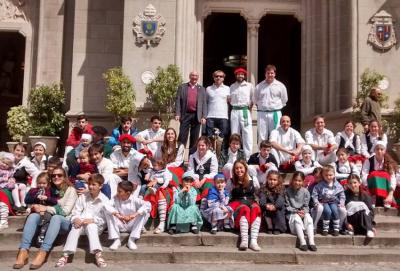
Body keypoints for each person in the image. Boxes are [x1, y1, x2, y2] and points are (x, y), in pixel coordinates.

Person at [14, 167, 78, 270]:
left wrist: (45, 208)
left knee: (57, 218)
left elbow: (65, 212)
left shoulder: (71, 190)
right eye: (53, 175)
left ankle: (43, 252)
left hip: (65, 222)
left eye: (59, 175)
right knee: (33, 215)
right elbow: (33, 198)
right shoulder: (50, 189)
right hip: (48, 221)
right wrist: (35, 206)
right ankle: (23, 250)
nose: (56, 177)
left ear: (65, 177)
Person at [55, 174, 110, 268]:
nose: (91, 187)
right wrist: (76, 219)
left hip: (95, 226)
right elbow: (76, 211)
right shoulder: (83, 197)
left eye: (94, 184)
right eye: (89, 184)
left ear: (100, 186)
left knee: (91, 226)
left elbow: (104, 219)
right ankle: (65, 255)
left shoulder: (105, 200)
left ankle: (98, 254)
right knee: (76, 226)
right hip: (81, 223)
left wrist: (92, 220)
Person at [107, 180, 151, 250]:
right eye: (117, 191)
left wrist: (134, 215)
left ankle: (132, 239)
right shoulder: (115, 198)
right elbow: (106, 206)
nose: (117, 193)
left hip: (132, 225)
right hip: (120, 225)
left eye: (120, 191)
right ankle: (116, 240)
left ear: (128, 193)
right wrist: (119, 216)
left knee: (143, 212)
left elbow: (148, 204)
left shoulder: (135, 199)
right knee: (109, 212)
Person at [228, 160, 261, 251]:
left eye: (241, 168)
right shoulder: (231, 181)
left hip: (251, 202)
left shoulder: (253, 179)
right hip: (238, 204)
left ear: (245, 168)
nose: (239, 170)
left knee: (256, 208)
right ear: (234, 170)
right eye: (236, 168)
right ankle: (244, 240)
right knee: (245, 209)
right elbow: (228, 195)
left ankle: (253, 241)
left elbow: (257, 191)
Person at [175, 71, 207, 153]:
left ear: (198, 77)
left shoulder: (202, 89)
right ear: (190, 76)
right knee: (182, 137)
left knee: (194, 138)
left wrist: (204, 116)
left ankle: (191, 160)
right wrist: (177, 113)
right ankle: (180, 160)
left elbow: (204, 104)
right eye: (192, 75)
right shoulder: (182, 87)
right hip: (185, 114)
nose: (194, 77)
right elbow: (178, 101)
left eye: (196, 75)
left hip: (197, 116)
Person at [254, 64, 288, 141]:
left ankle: (275, 153)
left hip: (275, 113)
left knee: (275, 135)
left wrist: (275, 107)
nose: (270, 75)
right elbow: (255, 100)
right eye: (268, 73)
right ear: (265, 74)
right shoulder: (259, 86)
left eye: (272, 73)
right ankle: (262, 152)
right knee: (262, 136)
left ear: (275, 74)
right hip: (262, 113)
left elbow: (284, 100)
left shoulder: (280, 86)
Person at [285, 171, 317, 251]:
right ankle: (302, 242)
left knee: (308, 217)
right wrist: (296, 211)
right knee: (296, 218)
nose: (297, 182)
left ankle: (311, 242)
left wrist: (303, 212)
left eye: (299, 181)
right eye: (295, 180)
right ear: (292, 180)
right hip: (292, 215)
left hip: (302, 214)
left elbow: (306, 206)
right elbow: (287, 206)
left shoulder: (305, 192)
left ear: (303, 181)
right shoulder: (287, 191)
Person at [24, 172, 58, 246]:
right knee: (31, 218)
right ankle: (34, 235)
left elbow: (55, 201)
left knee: (48, 218)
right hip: (35, 211)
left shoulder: (51, 190)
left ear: (48, 183)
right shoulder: (33, 190)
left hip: (46, 210)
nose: (41, 185)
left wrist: (47, 198)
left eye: (44, 183)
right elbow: (26, 200)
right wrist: (35, 197)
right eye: (39, 183)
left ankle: (42, 234)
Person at [361, 141, 397, 208]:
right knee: (374, 174)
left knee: (385, 175)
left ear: (384, 151)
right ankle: (373, 198)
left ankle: (385, 198)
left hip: (385, 188)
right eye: (377, 149)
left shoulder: (388, 161)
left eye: (381, 149)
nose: (379, 151)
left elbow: (392, 177)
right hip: (372, 187)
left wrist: (391, 194)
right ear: (374, 150)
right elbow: (364, 175)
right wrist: (367, 187)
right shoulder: (368, 161)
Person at [311, 165, 346, 236]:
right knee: (327, 211)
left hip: (334, 202)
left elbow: (342, 195)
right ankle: (325, 229)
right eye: (326, 175)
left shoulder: (337, 185)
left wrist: (342, 202)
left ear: (334, 174)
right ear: (323, 176)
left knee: (335, 210)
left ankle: (336, 228)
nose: (328, 177)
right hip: (324, 202)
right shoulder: (320, 185)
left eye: (330, 175)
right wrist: (316, 202)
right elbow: (314, 194)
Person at [229, 67, 255, 159]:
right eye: (238, 74)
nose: (240, 76)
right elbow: (229, 99)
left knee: (247, 133)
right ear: (236, 75)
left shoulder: (249, 86)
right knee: (234, 133)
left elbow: (253, 99)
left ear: (244, 76)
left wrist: (249, 107)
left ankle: (248, 157)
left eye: (242, 74)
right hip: (235, 110)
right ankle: (234, 156)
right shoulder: (232, 86)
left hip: (244, 111)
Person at [187, 136, 218, 201]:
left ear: (207, 146)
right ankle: (196, 200)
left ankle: (204, 201)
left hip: (207, 179)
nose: (200, 147)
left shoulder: (212, 156)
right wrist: (196, 179)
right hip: (196, 179)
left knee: (209, 185)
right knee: (190, 184)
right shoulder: (192, 156)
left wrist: (204, 178)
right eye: (199, 145)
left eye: (203, 145)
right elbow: (190, 171)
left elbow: (214, 172)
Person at [12, 143, 40, 213]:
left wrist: (33, 187)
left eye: (22, 151)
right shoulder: (10, 160)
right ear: (13, 150)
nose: (19, 153)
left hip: (20, 186)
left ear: (24, 153)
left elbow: (37, 173)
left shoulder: (26, 163)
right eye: (17, 150)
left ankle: (20, 206)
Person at [205, 70, 230, 149]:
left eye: (221, 76)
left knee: (223, 138)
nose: (218, 78)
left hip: (223, 116)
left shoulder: (228, 89)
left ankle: (221, 157)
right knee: (210, 138)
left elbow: (230, 101)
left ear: (223, 78)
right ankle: (211, 156)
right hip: (210, 116)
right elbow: (205, 102)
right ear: (213, 77)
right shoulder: (208, 89)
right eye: (216, 76)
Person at [259, 170, 286, 235]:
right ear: (267, 179)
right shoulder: (264, 188)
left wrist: (275, 206)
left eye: (274, 180)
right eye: (270, 179)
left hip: (276, 207)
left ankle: (278, 228)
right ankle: (269, 227)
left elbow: (281, 200)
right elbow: (262, 200)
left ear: (278, 181)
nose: (272, 181)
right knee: (265, 211)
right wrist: (266, 206)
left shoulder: (281, 189)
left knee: (279, 209)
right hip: (267, 208)